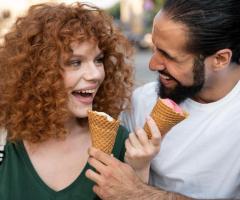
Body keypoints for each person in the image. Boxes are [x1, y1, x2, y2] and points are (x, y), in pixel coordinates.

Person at [85, 0, 240, 199]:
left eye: (169, 56)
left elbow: (131, 190)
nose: (152, 64)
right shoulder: (141, 101)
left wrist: (140, 194)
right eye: (155, 48)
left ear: (220, 59)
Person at [0, 2, 134, 200]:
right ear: (38, 73)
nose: (96, 74)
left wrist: (141, 169)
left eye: (99, 59)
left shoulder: (120, 143)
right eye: (75, 62)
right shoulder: (5, 142)